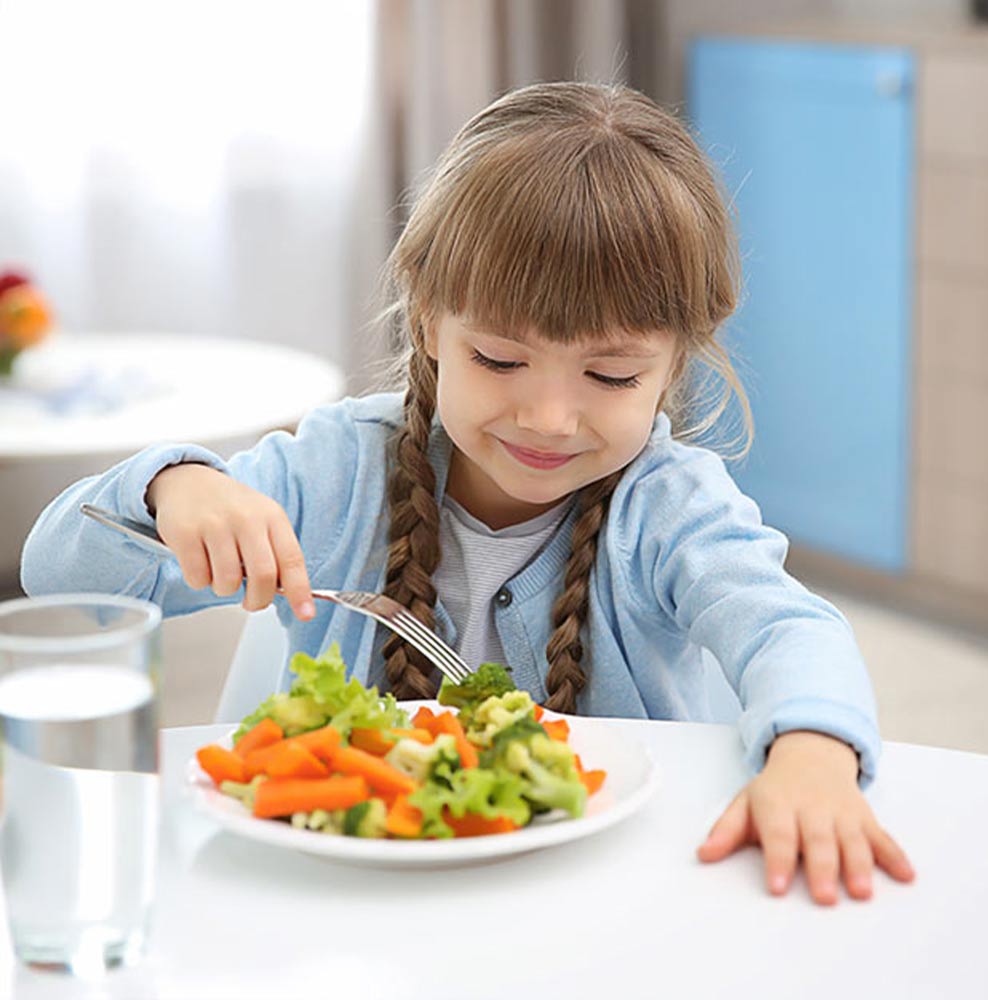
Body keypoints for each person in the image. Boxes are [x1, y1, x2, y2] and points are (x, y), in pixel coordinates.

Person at [21, 81, 914, 905]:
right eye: (499, 360)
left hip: (613, 901)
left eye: (610, 375)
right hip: (350, 905)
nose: (550, 419)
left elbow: (788, 630)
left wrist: (813, 756)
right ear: (427, 323)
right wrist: (171, 487)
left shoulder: (671, 507)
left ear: (675, 363)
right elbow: (59, 581)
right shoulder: (337, 473)